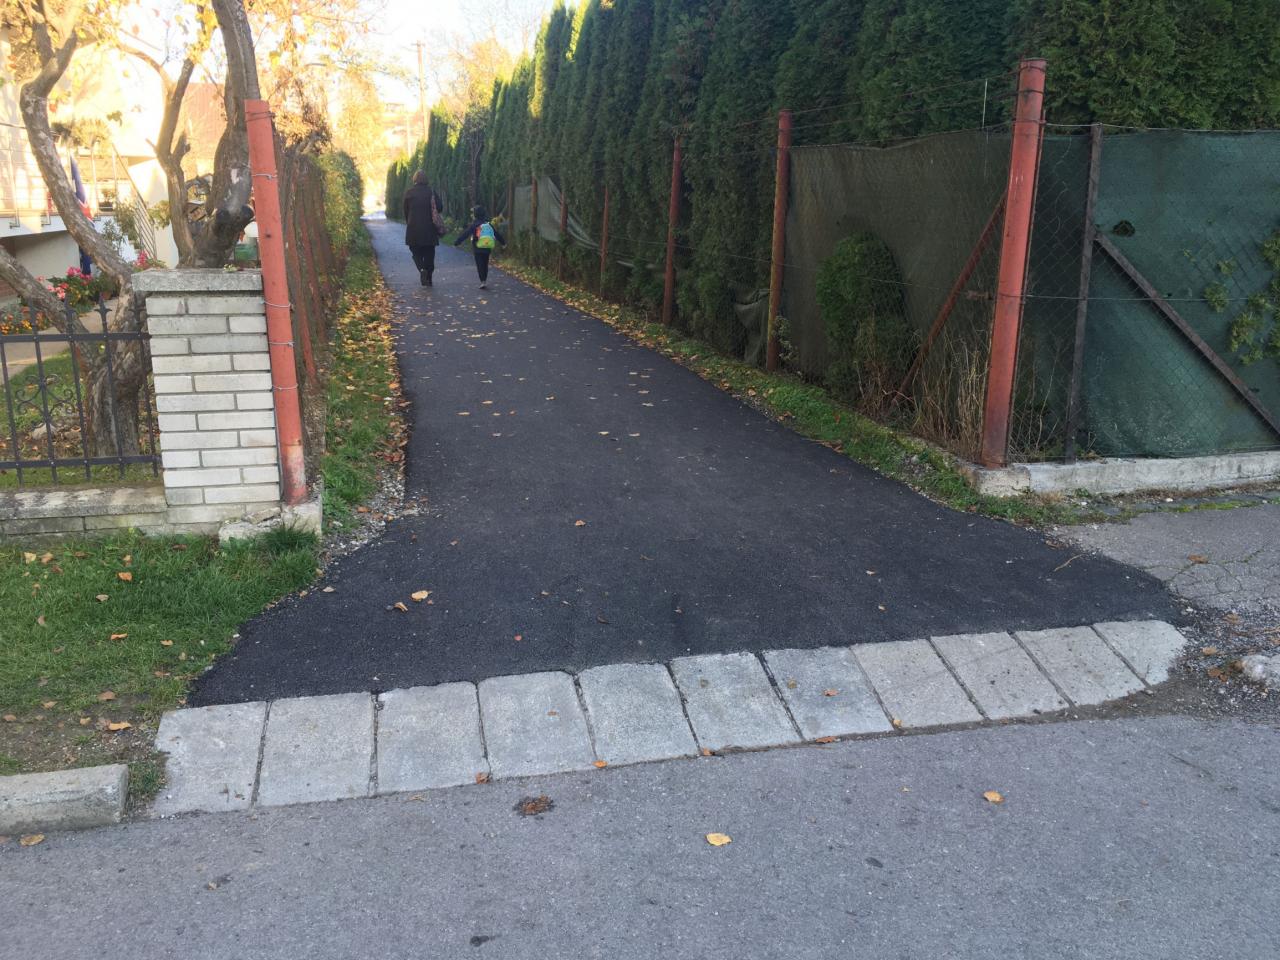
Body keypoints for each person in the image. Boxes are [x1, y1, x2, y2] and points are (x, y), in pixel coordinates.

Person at [402, 171, 443, 286]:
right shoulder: (431, 192)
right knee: (429, 253)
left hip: (413, 229)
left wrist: (409, 222)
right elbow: (440, 207)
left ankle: (422, 269)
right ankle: (429, 278)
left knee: (415, 252)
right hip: (429, 229)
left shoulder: (409, 193)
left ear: (414, 179)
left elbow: (405, 211)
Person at [453, 205, 506, 289]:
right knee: (485, 264)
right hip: (487, 247)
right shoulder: (488, 224)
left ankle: (482, 281)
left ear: (475, 215)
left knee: (480, 264)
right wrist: (503, 243)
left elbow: (465, 234)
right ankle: (484, 280)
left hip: (477, 248)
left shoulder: (474, 225)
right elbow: (496, 234)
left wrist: (457, 242)